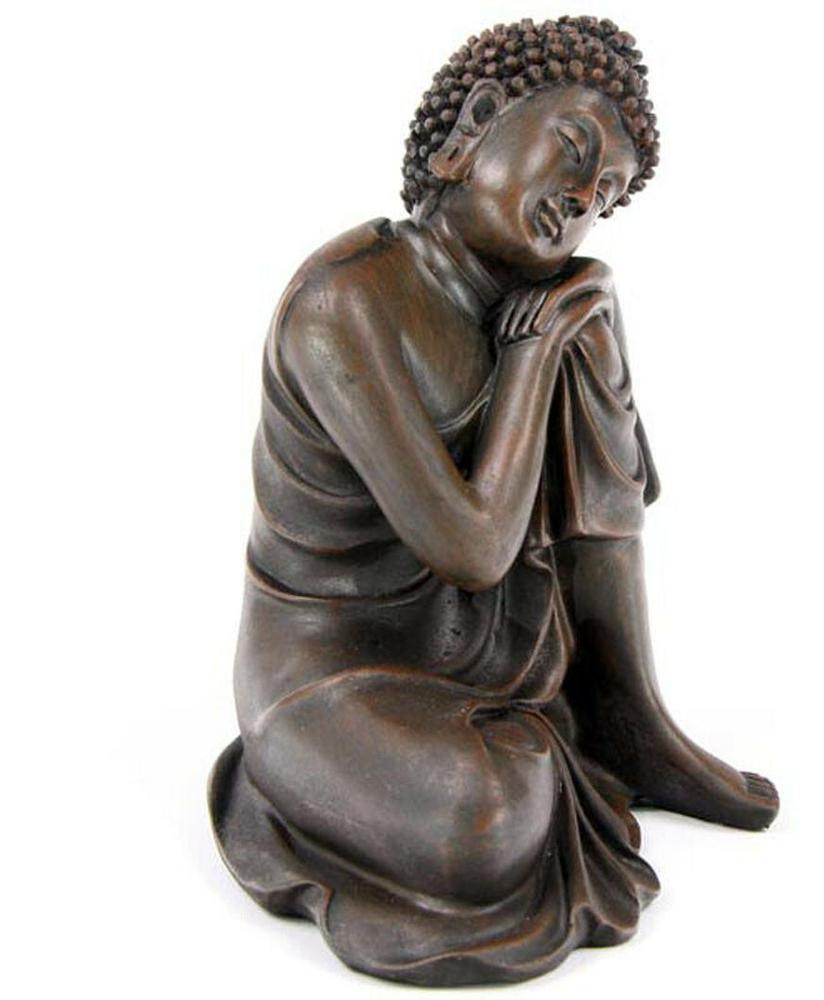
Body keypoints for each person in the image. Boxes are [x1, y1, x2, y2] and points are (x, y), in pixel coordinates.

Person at [209, 16, 778, 987]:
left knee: (584, 325)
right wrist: (531, 355)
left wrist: (574, 335)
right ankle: (424, 773)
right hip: (334, 674)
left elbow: (608, 492)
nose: (582, 202)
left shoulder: (537, 302)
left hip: (481, 647)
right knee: (483, 819)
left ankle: (631, 722)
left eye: (608, 197)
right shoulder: (347, 302)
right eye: (573, 153)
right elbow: (472, 551)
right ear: (474, 124)